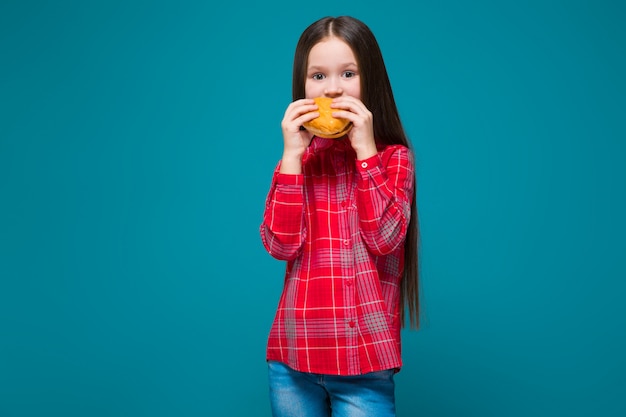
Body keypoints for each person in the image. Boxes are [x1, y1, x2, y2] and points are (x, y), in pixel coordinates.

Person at [259, 15, 419, 417]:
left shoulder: (393, 159)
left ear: (372, 82)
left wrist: (366, 153)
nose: (332, 87)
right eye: (318, 76)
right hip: (293, 358)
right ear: (303, 86)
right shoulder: (296, 162)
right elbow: (280, 245)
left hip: (362, 363)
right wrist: (292, 157)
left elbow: (385, 238)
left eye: (348, 73)